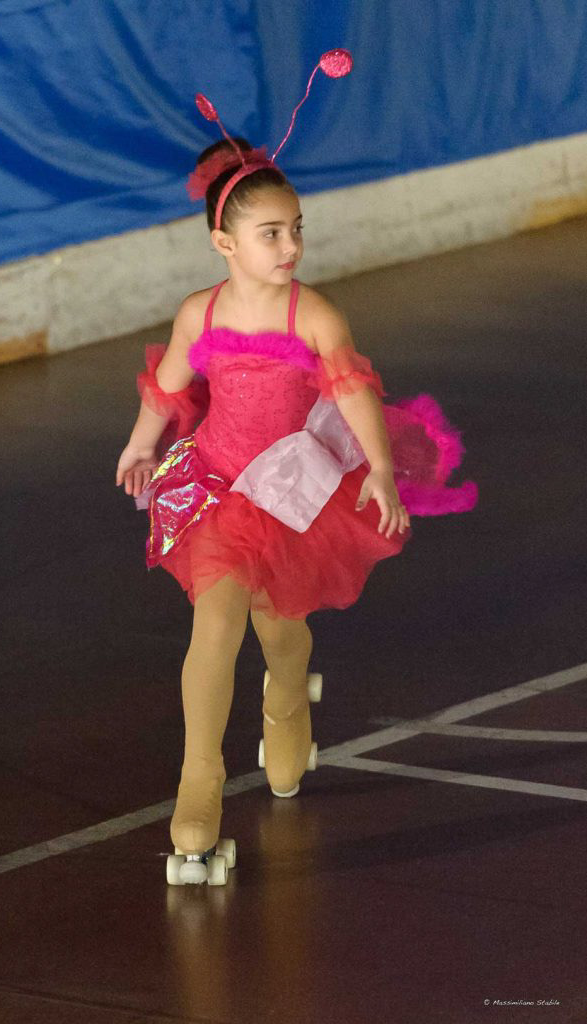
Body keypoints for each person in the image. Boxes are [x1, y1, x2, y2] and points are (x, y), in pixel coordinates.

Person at [115, 54, 478, 885]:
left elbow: (351, 390)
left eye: (296, 228)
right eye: (271, 233)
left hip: (288, 488)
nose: (291, 246)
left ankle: (285, 696)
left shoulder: (311, 313)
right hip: (214, 482)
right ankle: (199, 783)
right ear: (224, 243)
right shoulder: (199, 312)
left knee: (277, 626)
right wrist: (139, 444)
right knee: (214, 623)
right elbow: (169, 385)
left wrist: (379, 469)